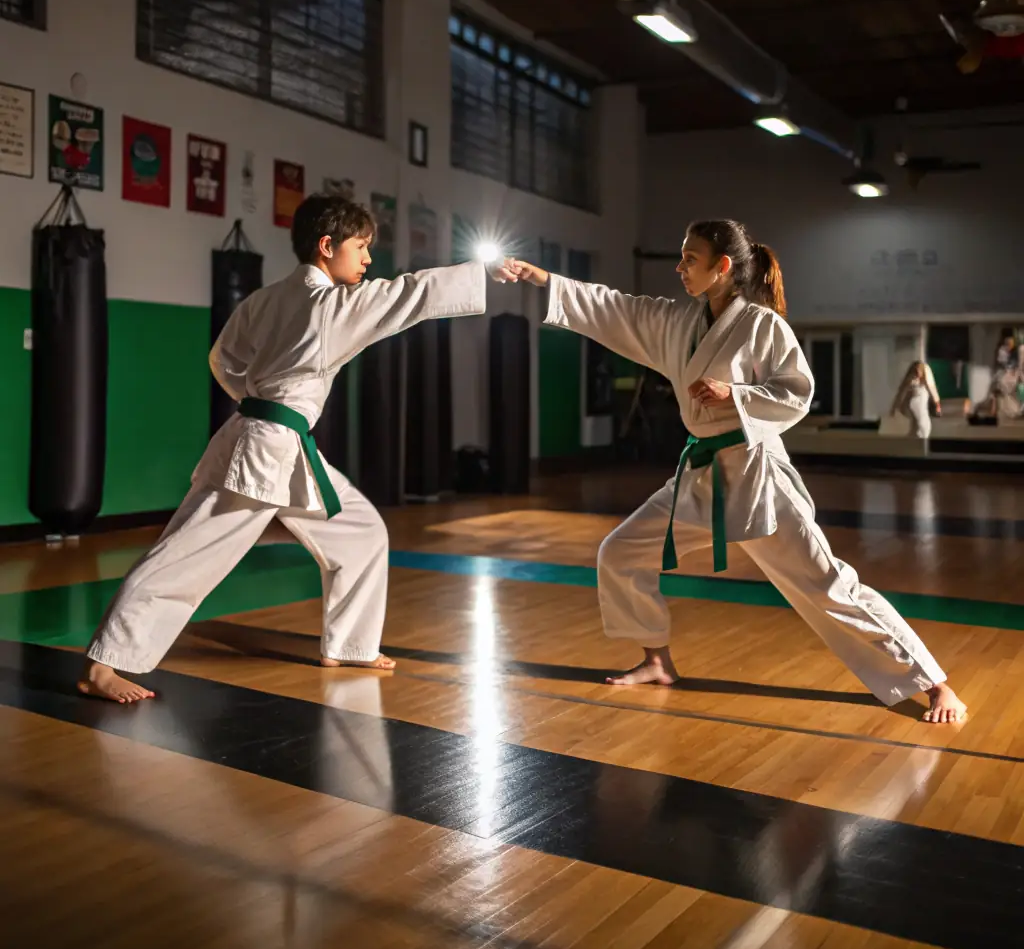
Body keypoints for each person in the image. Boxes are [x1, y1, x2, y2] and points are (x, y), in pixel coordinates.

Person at [509, 220, 966, 724]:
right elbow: (616, 307)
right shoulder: (678, 323)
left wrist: (737, 395)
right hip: (701, 476)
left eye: (690, 258)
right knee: (620, 551)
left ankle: (934, 682)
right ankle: (656, 661)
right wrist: (545, 280)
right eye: (681, 257)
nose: (680, 267)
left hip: (757, 478)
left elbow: (797, 392)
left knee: (829, 587)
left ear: (722, 266)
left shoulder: (763, 325)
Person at [79, 194, 518, 703]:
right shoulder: (330, 306)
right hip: (261, 452)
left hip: (276, 440)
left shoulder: (264, 299)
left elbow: (223, 360)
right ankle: (104, 666)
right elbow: (409, 295)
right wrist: (482, 272)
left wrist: (259, 397)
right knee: (187, 554)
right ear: (327, 246)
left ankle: (350, 645)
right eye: (361, 247)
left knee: (361, 532)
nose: (368, 260)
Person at [890, 360, 941, 438]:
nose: (917, 372)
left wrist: (937, 404)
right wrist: (894, 407)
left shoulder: (925, 382)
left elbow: (931, 389)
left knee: (921, 427)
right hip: (914, 408)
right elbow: (900, 393)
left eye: (919, 370)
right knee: (917, 427)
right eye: (916, 370)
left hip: (921, 411)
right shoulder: (910, 382)